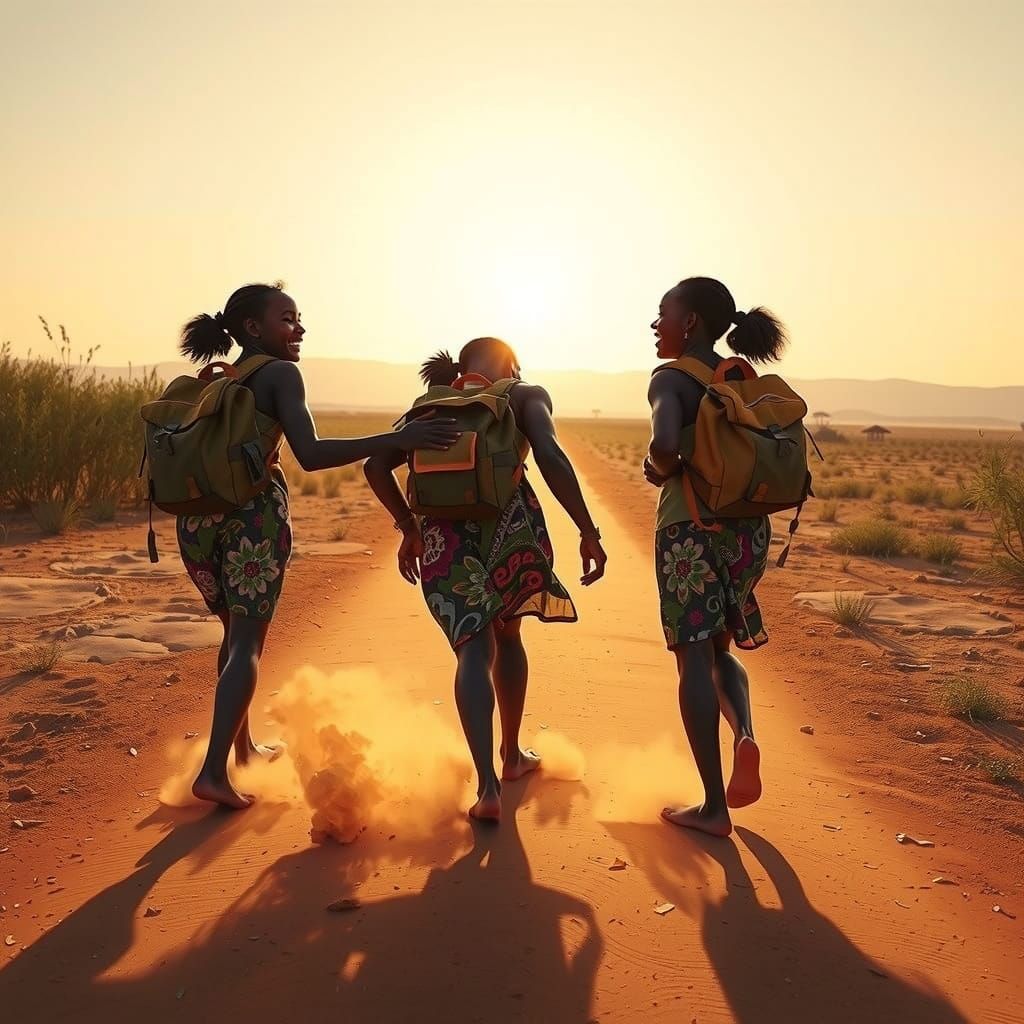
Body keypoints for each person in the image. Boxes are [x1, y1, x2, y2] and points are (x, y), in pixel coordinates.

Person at [176, 282, 459, 810]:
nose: (300, 328)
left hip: (196, 525)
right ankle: (214, 771)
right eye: (288, 318)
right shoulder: (281, 374)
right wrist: (396, 440)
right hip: (250, 523)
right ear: (254, 328)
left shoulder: (223, 379)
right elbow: (311, 453)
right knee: (247, 646)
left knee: (233, 637)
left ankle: (242, 753)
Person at [364, 337, 607, 822]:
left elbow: (375, 464)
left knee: (472, 651)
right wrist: (586, 528)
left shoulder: (429, 406)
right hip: (510, 531)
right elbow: (552, 457)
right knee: (509, 638)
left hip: (442, 538)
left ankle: (488, 788)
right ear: (511, 364)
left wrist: (408, 527)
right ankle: (512, 756)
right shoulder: (523, 394)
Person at [645, 277, 788, 837]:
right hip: (748, 531)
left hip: (690, 530)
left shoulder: (671, 379)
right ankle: (745, 732)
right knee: (720, 646)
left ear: (691, 323)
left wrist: (660, 469)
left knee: (691, 657)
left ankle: (712, 806)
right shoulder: (740, 379)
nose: (655, 325)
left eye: (663, 313)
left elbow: (662, 446)